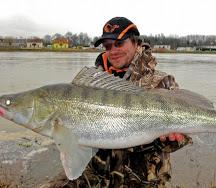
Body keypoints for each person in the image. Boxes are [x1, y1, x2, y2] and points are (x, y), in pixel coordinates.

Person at [49, 17, 192, 188]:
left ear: (136, 43)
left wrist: (169, 140)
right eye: (108, 46)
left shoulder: (161, 82)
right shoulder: (91, 83)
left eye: (119, 43)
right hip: (95, 180)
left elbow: (185, 136)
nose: (113, 50)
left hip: (143, 182)